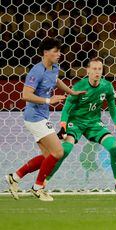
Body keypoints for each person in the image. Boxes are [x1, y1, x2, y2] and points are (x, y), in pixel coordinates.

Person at [4, 38, 85, 201]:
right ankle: (38, 187)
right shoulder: (36, 71)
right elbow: (25, 95)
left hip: (41, 116)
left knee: (49, 155)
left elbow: (56, 80)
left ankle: (15, 177)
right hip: (34, 117)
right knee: (58, 152)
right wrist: (49, 100)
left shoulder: (54, 68)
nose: (59, 54)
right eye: (55, 51)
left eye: (59, 51)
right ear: (45, 53)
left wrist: (72, 92)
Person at [45, 58, 116, 196]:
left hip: (94, 123)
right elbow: (67, 107)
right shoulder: (79, 86)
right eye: (94, 69)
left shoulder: (107, 86)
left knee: (113, 146)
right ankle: (43, 183)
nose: (97, 72)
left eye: (100, 69)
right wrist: (63, 126)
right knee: (65, 150)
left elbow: (112, 107)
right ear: (88, 71)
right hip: (76, 122)